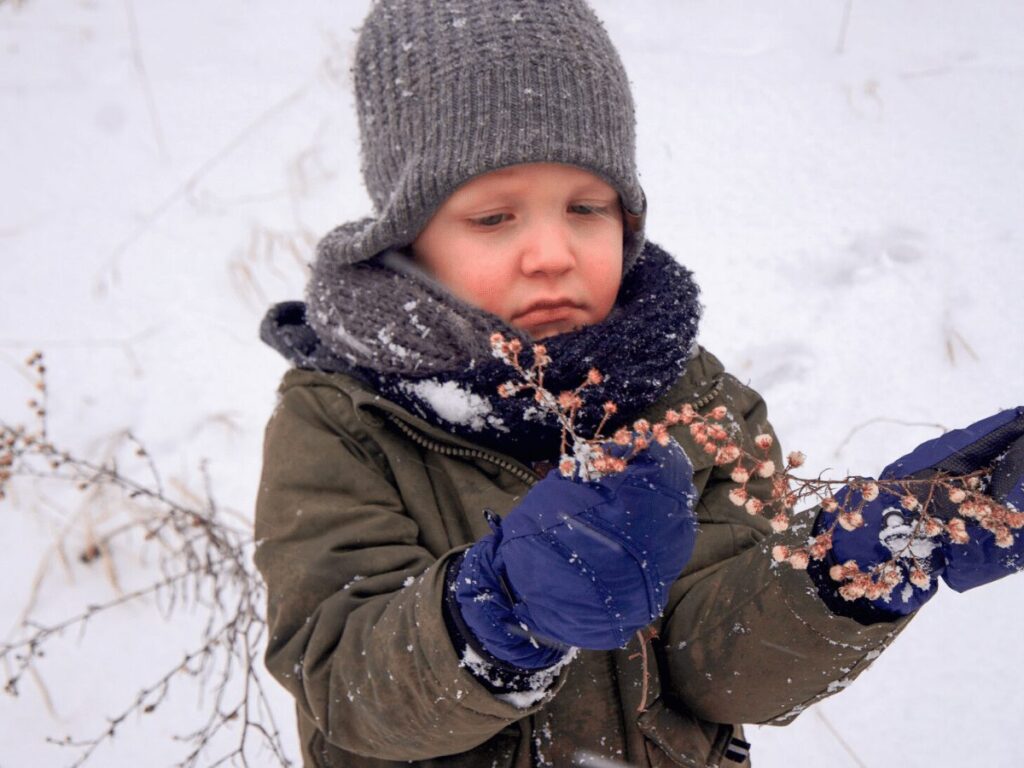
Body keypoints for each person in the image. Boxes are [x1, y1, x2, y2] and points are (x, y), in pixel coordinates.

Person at [254, 2, 1024, 766]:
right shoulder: (342, 421)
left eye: (588, 207)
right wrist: (498, 613)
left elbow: (719, 673)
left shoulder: (695, 402)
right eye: (494, 218)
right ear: (405, 236)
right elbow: (342, 679)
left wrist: (847, 568)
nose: (551, 252)